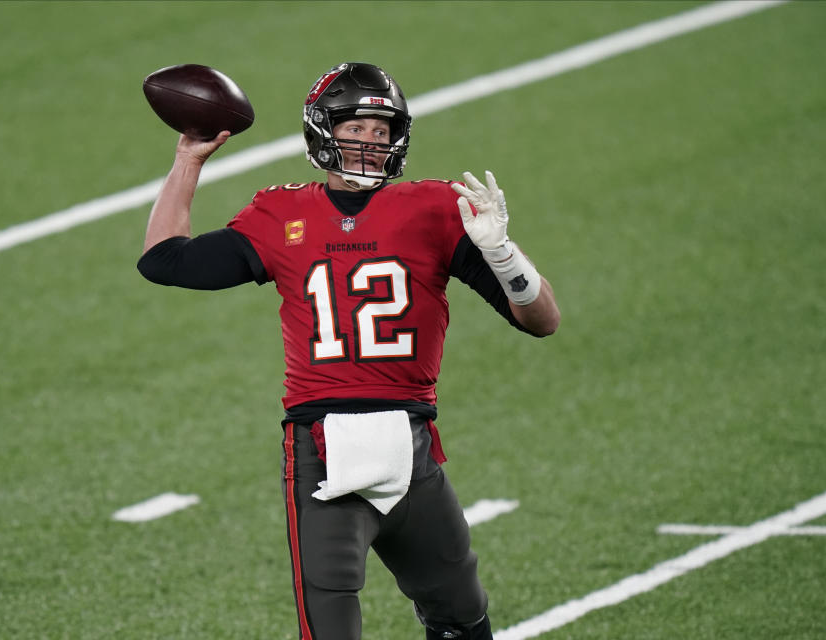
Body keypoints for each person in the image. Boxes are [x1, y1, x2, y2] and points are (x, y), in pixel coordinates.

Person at [137, 62, 560, 640]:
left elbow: (541, 321)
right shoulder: (280, 214)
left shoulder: (436, 208)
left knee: (465, 621)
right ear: (322, 132)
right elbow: (166, 261)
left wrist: (504, 253)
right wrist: (188, 160)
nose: (368, 142)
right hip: (320, 449)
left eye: (381, 131)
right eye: (355, 127)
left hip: (413, 448)